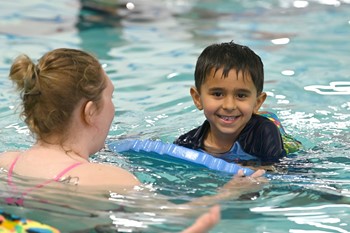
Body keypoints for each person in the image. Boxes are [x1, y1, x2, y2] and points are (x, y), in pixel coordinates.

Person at [0, 48, 265, 233]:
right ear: (90, 111)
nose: (113, 108)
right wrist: (229, 193)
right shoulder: (107, 178)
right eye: (111, 97)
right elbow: (174, 218)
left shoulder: (6, 163)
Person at [174, 41, 287, 166]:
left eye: (241, 95)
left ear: (257, 102)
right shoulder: (187, 143)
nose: (229, 106)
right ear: (197, 98)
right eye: (217, 94)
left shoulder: (264, 132)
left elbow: (276, 174)